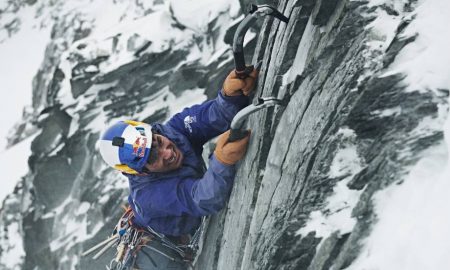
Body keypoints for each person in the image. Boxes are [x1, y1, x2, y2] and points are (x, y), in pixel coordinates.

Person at [98, 68, 258, 269]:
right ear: (140, 172)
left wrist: (230, 95)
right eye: (152, 157)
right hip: (165, 246)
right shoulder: (149, 196)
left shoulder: (172, 131)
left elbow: (210, 116)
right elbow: (204, 198)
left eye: (157, 141)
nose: (167, 152)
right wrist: (221, 160)